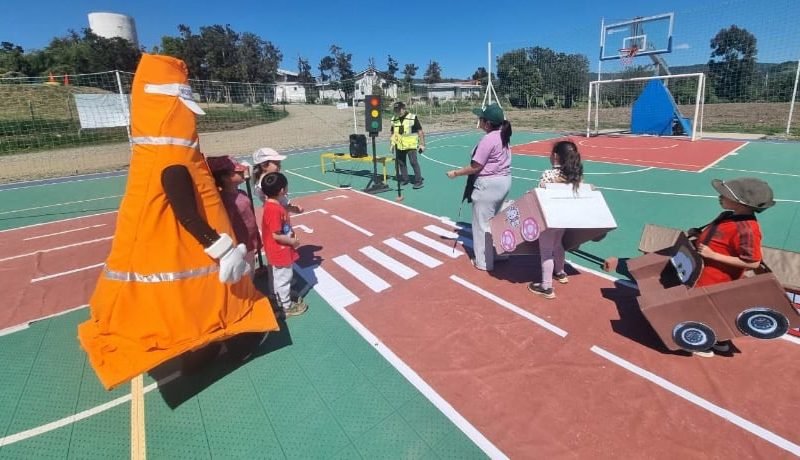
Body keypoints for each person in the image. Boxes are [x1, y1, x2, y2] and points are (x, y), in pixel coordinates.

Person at [690, 177, 775, 356]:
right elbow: (718, 235)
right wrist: (698, 234)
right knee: (708, 307)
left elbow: (753, 262)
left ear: (740, 202)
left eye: (725, 195)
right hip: (702, 273)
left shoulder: (747, 228)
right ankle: (719, 339)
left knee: (704, 308)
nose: (720, 197)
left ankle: (704, 343)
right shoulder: (728, 216)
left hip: (716, 279)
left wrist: (713, 255)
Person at [446, 103, 512, 271]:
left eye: (481, 118)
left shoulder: (488, 139)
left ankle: (483, 261)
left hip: (488, 185)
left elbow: (476, 166)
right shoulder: (502, 135)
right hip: (503, 182)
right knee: (495, 221)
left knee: (481, 225)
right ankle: (499, 253)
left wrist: (456, 173)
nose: (479, 120)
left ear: (487, 123)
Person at [528, 140, 584, 299]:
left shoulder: (549, 174)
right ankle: (560, 272)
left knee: (546, 251)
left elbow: (540, 193)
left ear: (556, 156)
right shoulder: (576, 176)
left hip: (549, 218)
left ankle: (546, 287)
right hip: (564, 218)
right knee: (558, 244)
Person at [260, 172, 308, 318]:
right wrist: (292, 241)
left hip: (276, 249)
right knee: (284, 277)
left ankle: (278, 296)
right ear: (282, 190)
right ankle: (286, 306)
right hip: (280, 250)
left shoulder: (273, 205)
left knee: (277, 275)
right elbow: (276, 235)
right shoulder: (274, 210)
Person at [207, 155, 262, 269]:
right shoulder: (225, 200)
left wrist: (256, 239)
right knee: (244, 274)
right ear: (225, 178)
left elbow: (251, 220)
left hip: (250, 243)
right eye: (237, 171)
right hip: (239, 247)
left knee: (250, 269)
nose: (242, 172)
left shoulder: (242, 194)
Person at [252, 147, 303, 213]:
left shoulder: (273, 179)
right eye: (276, 164)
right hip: (278, 214)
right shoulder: (264, 186)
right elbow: (274, 206)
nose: (279, 166)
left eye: (279, 163)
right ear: (264, 165)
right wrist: (292, 209)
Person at [390, 101, 426, 189]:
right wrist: (392, 144)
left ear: (403, 109)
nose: (397, 112)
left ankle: (418, 181)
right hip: (399, 145)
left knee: (413, 162)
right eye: (395, 110)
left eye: (399, 110)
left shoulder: (412, 117)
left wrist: (422, 144)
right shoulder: (394, 119)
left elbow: (420, 131)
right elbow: (392, 132)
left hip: (411, 145)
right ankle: (405, 179)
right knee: (401, 163)